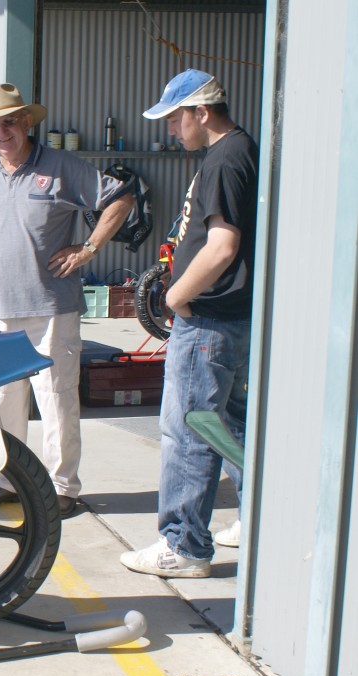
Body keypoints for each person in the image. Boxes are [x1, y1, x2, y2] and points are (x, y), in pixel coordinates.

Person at [0, 83, 133, 518]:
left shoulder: (62, 166)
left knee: (57, 399)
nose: (1, 131)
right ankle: (7, 480)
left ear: (27, 122)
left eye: (9, 121)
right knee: (5, 401)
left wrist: (87, 248)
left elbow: (120, 199)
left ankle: (62, 487)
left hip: (53, 310)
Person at [120, 69, 258, 578]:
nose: (172, 131)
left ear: (202, 112)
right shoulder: (241, 151)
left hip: (208, 322)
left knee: (189, 429)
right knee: (233, 425)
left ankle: (183, 545)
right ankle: (255, 520)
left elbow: (222, 246)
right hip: (232, 320)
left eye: (176, 120)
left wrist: (177, 296)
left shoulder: (223, 160)